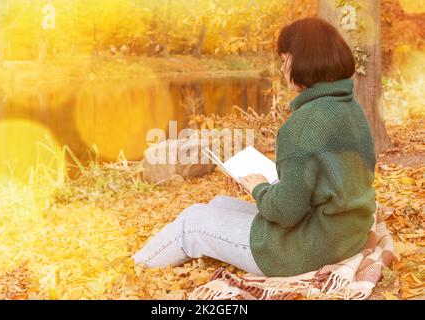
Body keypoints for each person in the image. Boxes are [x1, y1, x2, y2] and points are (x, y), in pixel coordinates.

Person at [133, 17, 377, 277]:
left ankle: (135, 268)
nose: (282, 68)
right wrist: (259, 186)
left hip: (305, 248)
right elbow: (328, 180)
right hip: (345, 232)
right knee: (218, 204)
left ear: (306, 60)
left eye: (285, 59)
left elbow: (286, 212)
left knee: (190, 222)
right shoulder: (349, 108)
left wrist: (260, 188)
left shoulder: (303, 125)